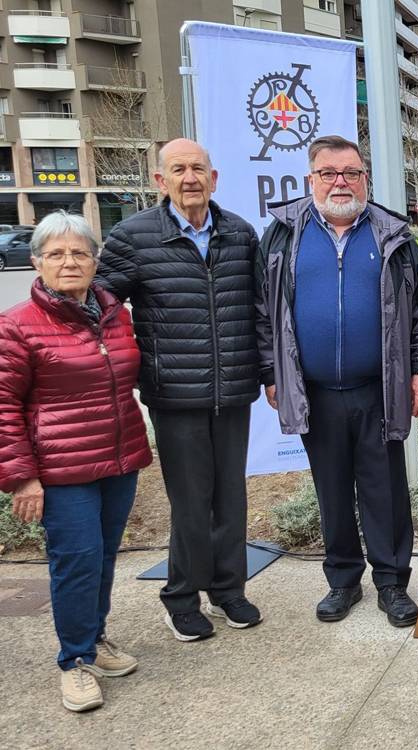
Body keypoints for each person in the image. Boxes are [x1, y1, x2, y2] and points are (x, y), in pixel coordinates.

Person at [256, 135, 418, 628]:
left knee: (385, 489)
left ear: (365, 178)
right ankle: (342, 580)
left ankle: (392, 584)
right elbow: (262, 314)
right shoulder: (282, 236)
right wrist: (272, 373)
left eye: (351, 173)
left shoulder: (393, 238)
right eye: (329, 173)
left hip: (379, 389)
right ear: (310, 178)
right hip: (315, 391)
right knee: (332, 490)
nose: (341, 182)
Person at [97, 138, 263, 641]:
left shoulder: (240, 233)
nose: (190, 178)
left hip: (233, 388)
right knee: (191, 501)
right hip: (174, 394)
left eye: (198, 169)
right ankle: (182, 596)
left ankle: (228, 590)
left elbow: (260, 309)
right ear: (159, 180)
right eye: (178, 169)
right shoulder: (132, 237)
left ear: (214, 178)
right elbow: (101, 308)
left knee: (231, 496)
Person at [0, 211, 152, 712]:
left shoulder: (114, 313)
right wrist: (22, 479)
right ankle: (74, 662)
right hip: (60, 471)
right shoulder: (17, 325)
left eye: (80, 253)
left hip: (116, 457)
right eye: (57, 254)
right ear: (37, 262)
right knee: (77, 561)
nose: (70, 262)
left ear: (95, 260)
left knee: (105, 557)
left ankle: (96, 638)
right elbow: (4, 406)